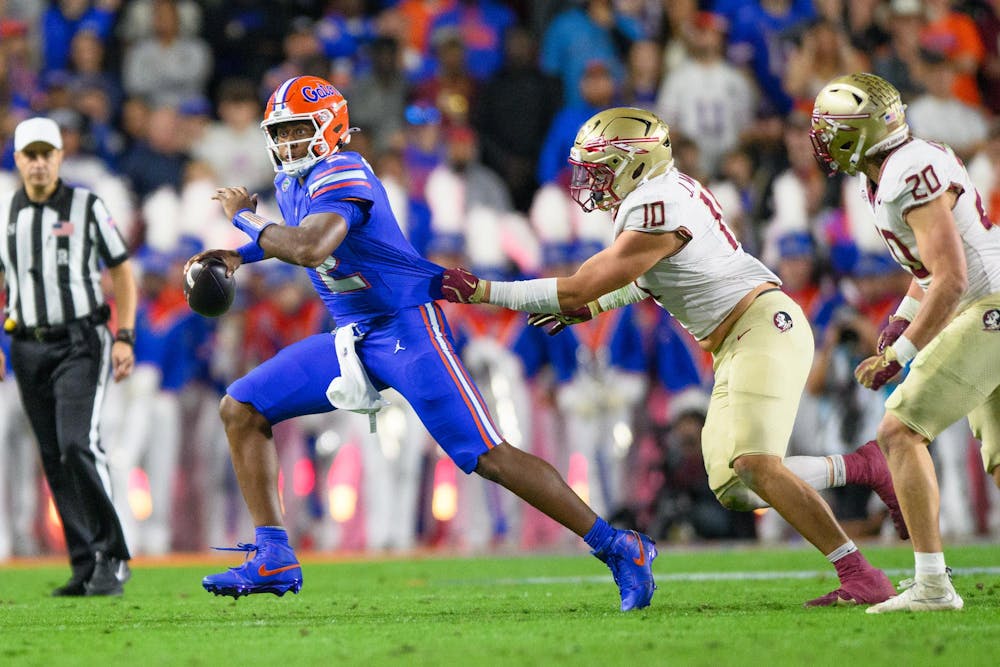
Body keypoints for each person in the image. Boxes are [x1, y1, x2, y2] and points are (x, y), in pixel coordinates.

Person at [186, 75, 657, 611]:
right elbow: (301, 235)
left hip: (406, 326)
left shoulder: (343, 168)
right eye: (282, 131)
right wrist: (238, 256)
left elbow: (313, 246)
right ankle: (273, 554)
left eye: (300, 129)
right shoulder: (297, 182)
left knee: (487, 456)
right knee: (241, 406)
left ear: (331, 128)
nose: (289, 142)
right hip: (353, 336)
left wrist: (243, 220)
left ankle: (619, 546)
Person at [441, 106, 903, 607]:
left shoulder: (656, 204)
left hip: (762, 326)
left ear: (634, 164)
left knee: (755, 462)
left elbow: (577, 288)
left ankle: (860, 574)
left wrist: (485, 290)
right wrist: (592, 305)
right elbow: (644, 279)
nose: (590, 180)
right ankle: (862, 466)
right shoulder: (660, 195)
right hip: (737, 340)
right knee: (734, 487)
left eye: (600, 167)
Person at [811, 72, 1000, 612]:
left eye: (833, 127)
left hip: (988, 307)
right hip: (986, 305)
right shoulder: (896, 166)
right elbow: (930, 270)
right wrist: (901, 318)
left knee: (899, 430)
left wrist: (903, 352)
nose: (822, 138)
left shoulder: (907, 170)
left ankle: (934, 586)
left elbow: (953, 275)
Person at [0, 116, 137, 596]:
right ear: (17, 159)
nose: (38, 163)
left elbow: (121, 270)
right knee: (54, 456)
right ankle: (85, 563)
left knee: (79, 444)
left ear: (60, 157)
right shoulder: (3, 210)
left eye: (46, 154)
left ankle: (114, 555)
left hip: (80, 339)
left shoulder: (86, 204)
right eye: (29, 155)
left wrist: (125, 335)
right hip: (26, 343)